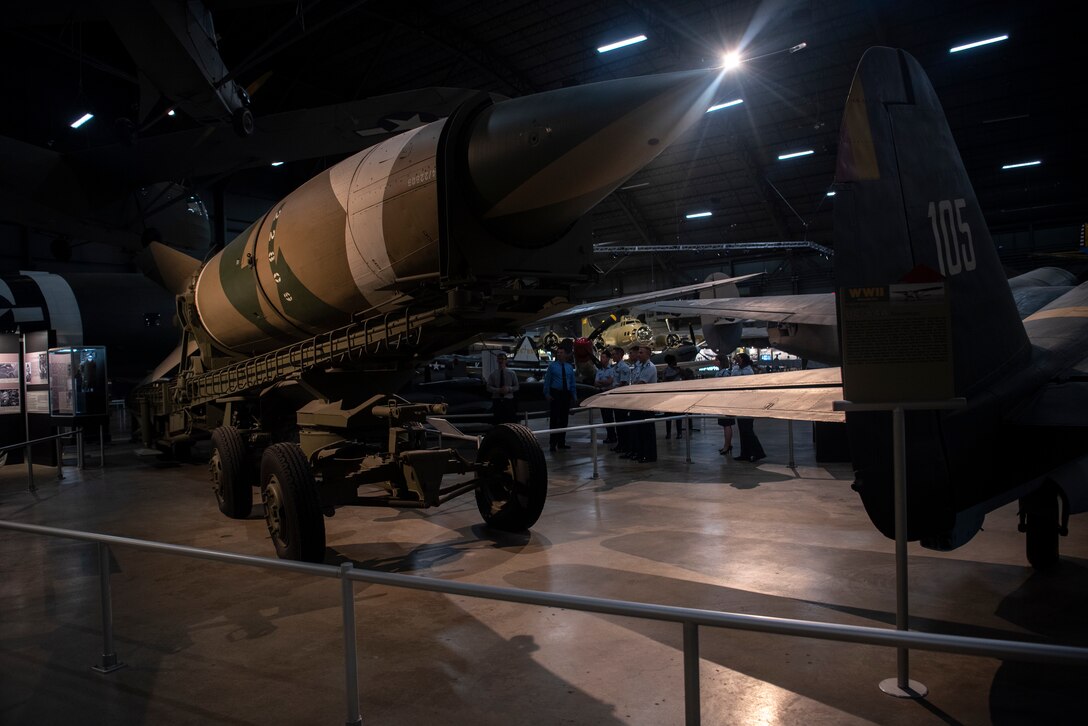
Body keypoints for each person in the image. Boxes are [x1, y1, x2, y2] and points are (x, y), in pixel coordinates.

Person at [731, 352, 766, 462]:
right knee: (742, 429)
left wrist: (737, 365)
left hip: (748, 402)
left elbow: (740, 379)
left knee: (747, 429)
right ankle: (745, 453)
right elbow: (733, 377)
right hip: (740, 402)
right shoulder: (737, 368)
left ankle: (758, 452)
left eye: (740, 358)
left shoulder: (748, 370)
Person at [543, 340, 578, 451]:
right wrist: (547, 394)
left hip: (565, 395)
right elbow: (547, 381)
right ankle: (552, 443)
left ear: (566, 354)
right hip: (555, 394)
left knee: (564, 419)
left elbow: (572, 383)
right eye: (558, 353)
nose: (559, 354)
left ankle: (561, 442)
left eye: (561, 353)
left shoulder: (569, 368)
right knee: (554, 419)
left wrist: (574, 396)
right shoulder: (552, 367)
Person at [628, 344, 658, 463]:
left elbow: (640, 383)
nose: (638, 354)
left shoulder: (650, 367)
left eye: (641, 353)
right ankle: (640, 452)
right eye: (638, 352)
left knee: (647, 431)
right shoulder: (638, 366)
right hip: (637, 401)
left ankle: (649, 455)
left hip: (646, 402)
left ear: (648, 354)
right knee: (638, 429)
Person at [610, 345, 633, 455]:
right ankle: (621, 443)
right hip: (615, 396)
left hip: (620, 396)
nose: (612, 356)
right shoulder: (616, 367)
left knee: (622, 422)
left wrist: (612, 389)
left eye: (614, 354)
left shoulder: (623, 367)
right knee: (618, 422)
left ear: (620, 355)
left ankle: (625, 444)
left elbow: (623, 383)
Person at [486, 352, 519, 425]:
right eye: (499, 359)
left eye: (503, 359)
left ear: (506, 361)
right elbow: (488, 387)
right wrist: (498, 390)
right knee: (498, 421)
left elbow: (517, 386)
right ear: (497, 360)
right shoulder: (493, 374)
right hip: (497, 400)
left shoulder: (512, 373)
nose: (501, 361)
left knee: (509, 421)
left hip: (508, 400)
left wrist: (509, 389)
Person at [593, 349, 617, 443]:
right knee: (605, 418)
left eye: (603, 357)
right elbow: (595, 383)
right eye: (601, 357)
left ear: (608, 359)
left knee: (609, 416)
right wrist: (604, 382)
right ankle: (609, 435)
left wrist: (602, 382)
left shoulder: (611, 369)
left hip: (609, 396)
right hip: (601, 396)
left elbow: (610, 381)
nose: (601, 359)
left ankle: (613, 436)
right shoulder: (599, 370)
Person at [714, 352, 735, 456]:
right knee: (725, 425)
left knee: (727, 424)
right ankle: (727, 444)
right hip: (721, 400)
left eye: (716, 360)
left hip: (725, 401)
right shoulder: (721, 372)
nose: (715, 361)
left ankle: (727, 446)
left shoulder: (724, 373)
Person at [661, 354, 683, 439]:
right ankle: (669, 433)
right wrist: (677, 373)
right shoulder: (666, 371)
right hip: (669, 395)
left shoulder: (678, 369)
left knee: (678, 416)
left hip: (677, 395)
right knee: (668, 416)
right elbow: (666, 379)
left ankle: (679, 432)